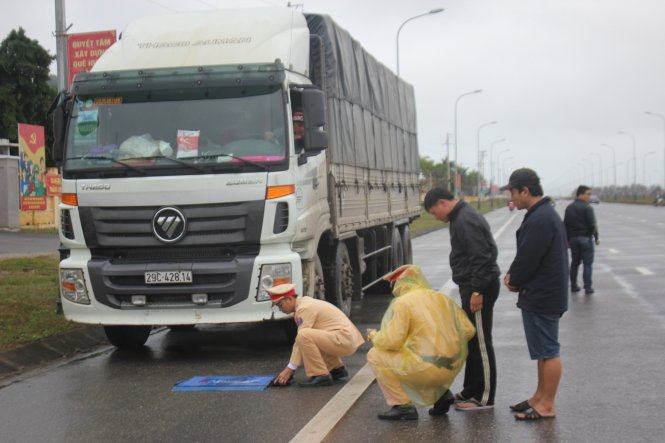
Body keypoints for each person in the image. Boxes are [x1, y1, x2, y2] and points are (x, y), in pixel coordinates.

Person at [424, 187, 501, 411]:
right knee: (472, 342)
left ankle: (485, 398)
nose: (435, 217)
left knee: (481, 343)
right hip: (472, 286)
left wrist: (477, 291)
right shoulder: (460, 217)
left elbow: (483, 256)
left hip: (479, 288)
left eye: (433, 212)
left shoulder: (465, 219)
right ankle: (471, 390)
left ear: (441, 203)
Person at [500, 168, 569, 421]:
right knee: (542, 350)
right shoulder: (542, 214)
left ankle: (547, 405)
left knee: (549, 351)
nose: (512, 199)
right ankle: (539, 397)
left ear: (525, 191)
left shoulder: (541, 218)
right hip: (542, 293)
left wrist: (514, 279)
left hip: (543, 295)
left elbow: (529, 256)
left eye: (513, 193)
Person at [367, 265, 475, 421]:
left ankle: (402, 406)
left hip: (426, 368)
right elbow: (468, 330)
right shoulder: (441, 298)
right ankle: (441, 394)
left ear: (400, 283)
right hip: (450, 366)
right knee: (421, 354)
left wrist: (374, 336)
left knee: (375, 355)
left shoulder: (403, 303)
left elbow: (392, 341)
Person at [271, 283, 364, 387]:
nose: (280, 309)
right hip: (345, 338)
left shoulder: (304, 308)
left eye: (280, 305)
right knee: (311, 335)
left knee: (304, 335)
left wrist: (289, 369)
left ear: (289, 299)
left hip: (344, 339)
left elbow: (300, 340)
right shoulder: (303, 304)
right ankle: (336, 369)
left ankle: (320, 375)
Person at [564, 185, 599, 295]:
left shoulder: (569, 208)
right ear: (580, 194)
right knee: (587, 264)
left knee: (575, 263)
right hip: (585, 239)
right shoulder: (588, 208)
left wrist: (567, 240)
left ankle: (573, 286)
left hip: (573, 240)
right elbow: (593, 225)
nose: (589, 197)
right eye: (588, 194)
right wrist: (596, 237)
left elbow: (565, 225)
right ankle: (588, 288)